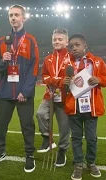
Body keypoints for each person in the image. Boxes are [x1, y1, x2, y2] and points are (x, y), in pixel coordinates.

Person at [0, 4, 39, 173]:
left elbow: (35, 67)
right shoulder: (2, 41)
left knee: (27, 125)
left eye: (17, 15)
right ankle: (0, 151)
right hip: (5, 91)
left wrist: (26, 90)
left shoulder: (30, 40)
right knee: (1, 124)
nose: (13, 18)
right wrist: (3, 60)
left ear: (24, 18)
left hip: (24, 93)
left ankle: (29, 155)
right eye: (11, 15)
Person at [63, 34, 106, 180]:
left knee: (91, 138)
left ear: (85, 45)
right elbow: (61, 82)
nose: (74, 48)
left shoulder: (96, 62)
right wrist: (63, 82)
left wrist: (99, 79)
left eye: (77, 45)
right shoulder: (67, 63)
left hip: (91, 106)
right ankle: (78, 164)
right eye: (71, 46)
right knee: (76, 138)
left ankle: (91, 163)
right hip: (74, 106)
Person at [36, 28, 71, 167]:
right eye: (54, 39)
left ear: (66, 41)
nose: (57, 41)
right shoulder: (48, 59)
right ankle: (47, 139)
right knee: (40, 113)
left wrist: (57, 80)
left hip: (65, 98)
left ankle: (62, 151)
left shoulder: (71, 58)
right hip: (50, 94)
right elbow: (44, 76)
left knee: (64, 127)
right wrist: (57, 81)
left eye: (60, 39)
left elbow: (71, 77)